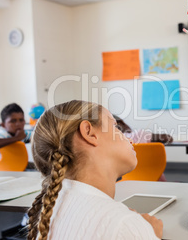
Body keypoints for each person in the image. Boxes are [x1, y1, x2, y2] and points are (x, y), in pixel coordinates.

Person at [27, 100, 163, 240]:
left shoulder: (49, 211)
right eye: (116, 127)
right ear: (89, 133)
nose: (129, 139)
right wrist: (149, 234)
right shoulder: (124, 225)